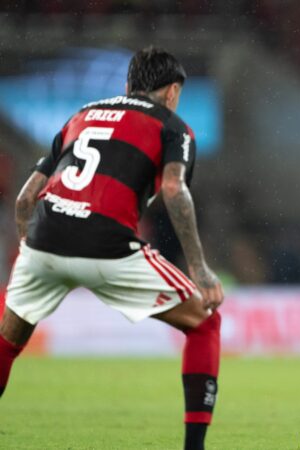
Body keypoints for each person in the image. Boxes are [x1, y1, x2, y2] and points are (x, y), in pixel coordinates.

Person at [0, 46, 224, 450]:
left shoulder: (81, 115)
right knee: (205, 322)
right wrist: (200, 269)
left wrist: (30, 249)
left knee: (7, 342)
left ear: (127, 85)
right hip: (107, 245)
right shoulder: (173, 126)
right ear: (172, 91)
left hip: (43, 241)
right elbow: (174, 190)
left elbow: (23, 200)